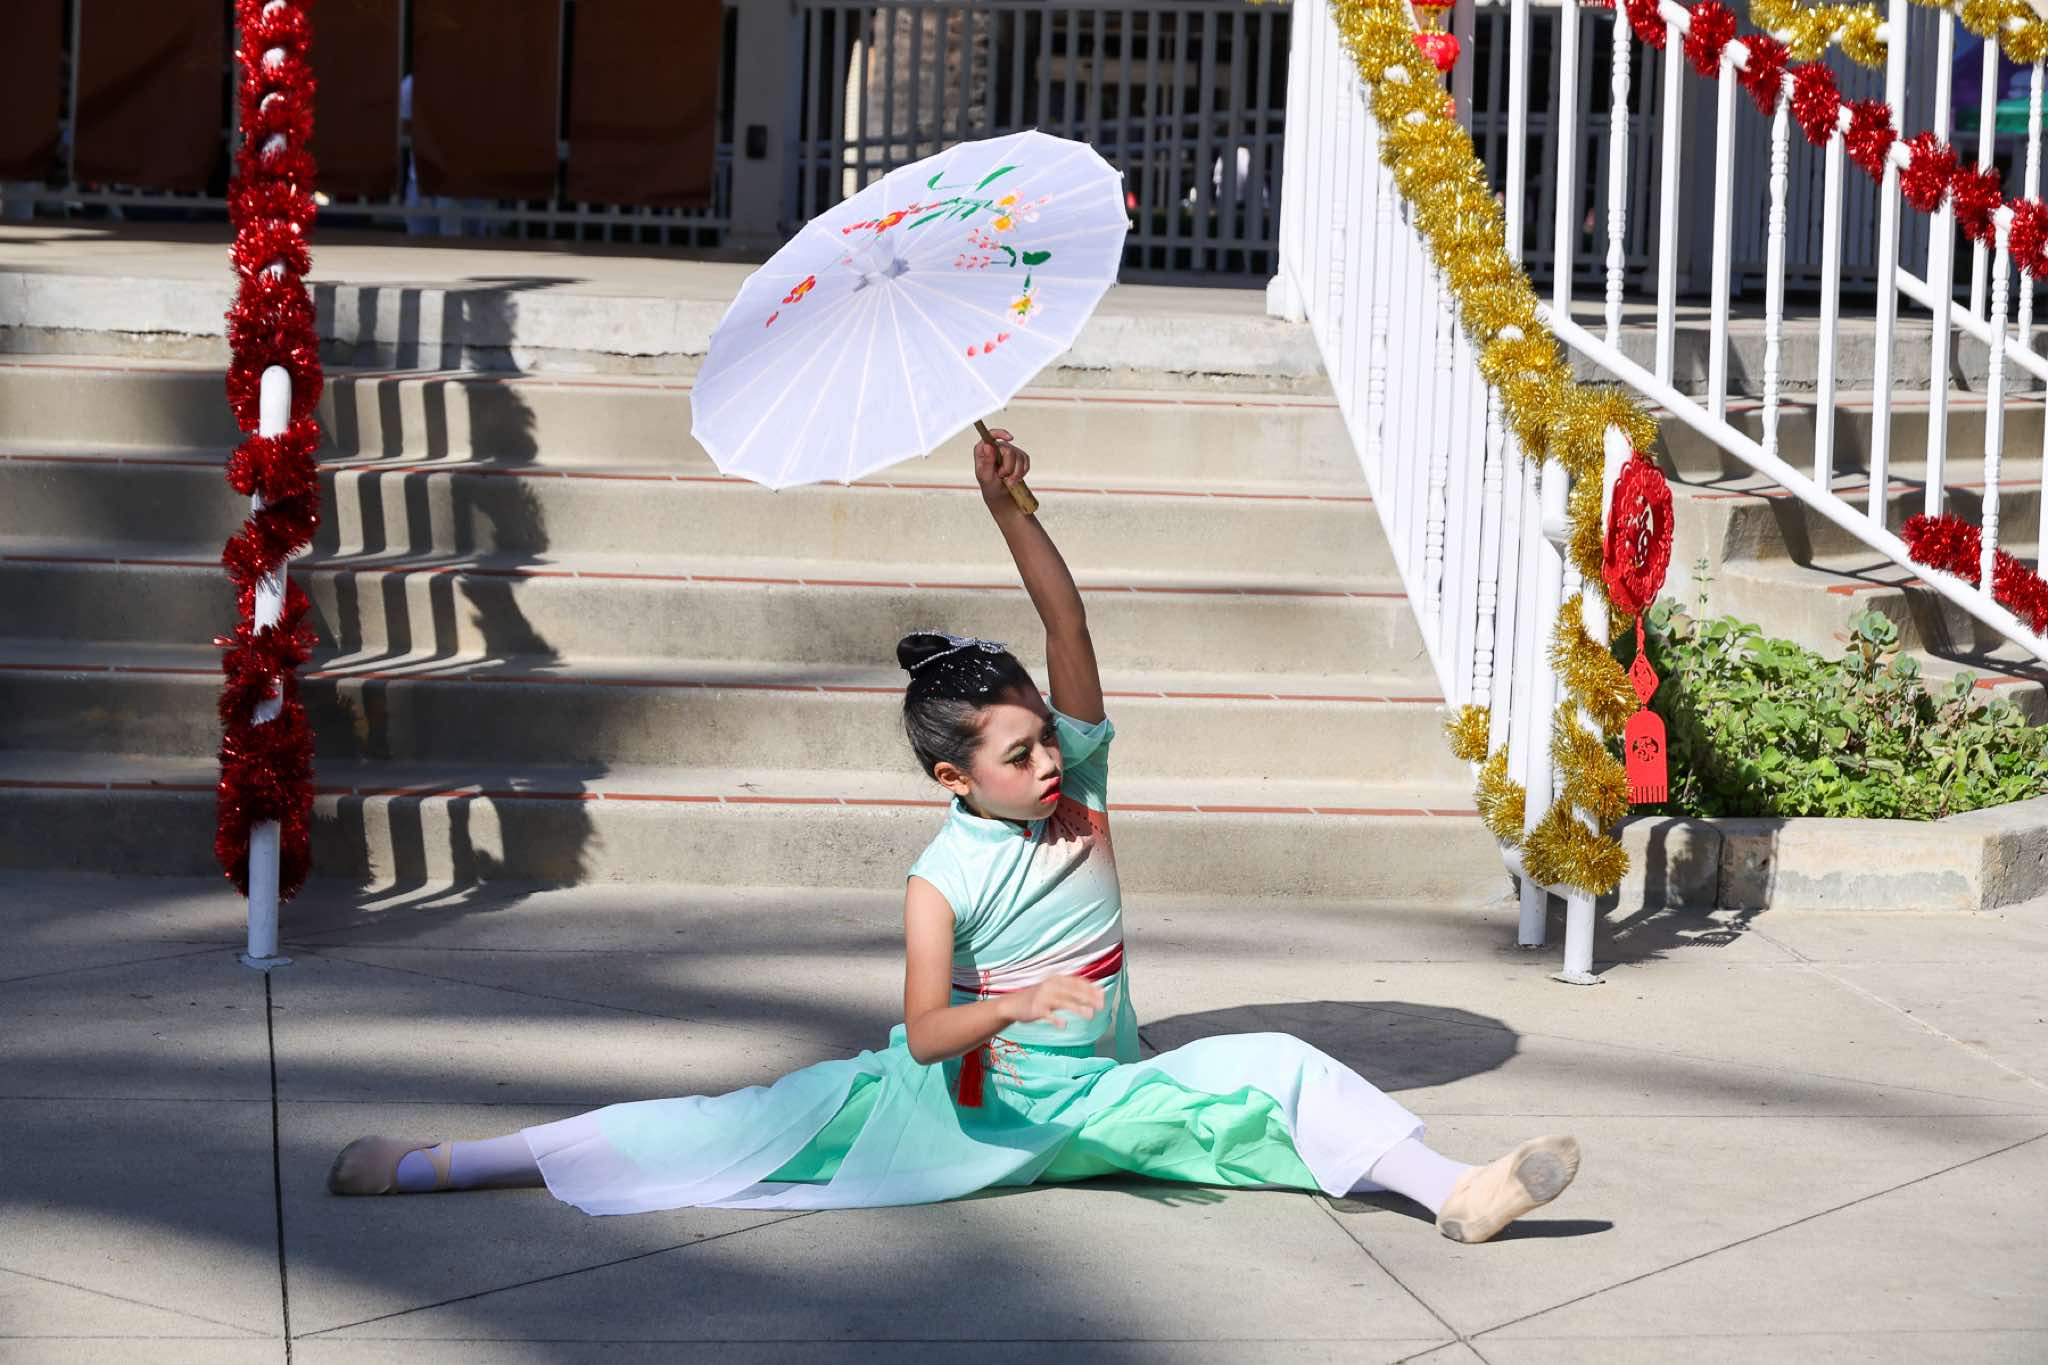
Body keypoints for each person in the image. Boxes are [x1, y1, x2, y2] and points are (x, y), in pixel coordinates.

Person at [329, 428, 1581, 1244]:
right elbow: (928, 1030)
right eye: (1019, 754)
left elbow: (1069, 629)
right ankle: (441, 1163)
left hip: (1099, 1100)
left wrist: (1008, 508)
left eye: (1047, 741)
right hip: (961, 1112)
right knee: (721, 1127)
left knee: (1277, 1068)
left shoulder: (1079, 789)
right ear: (953, 775)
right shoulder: (941, 876)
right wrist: (1018, 1003)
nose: (1049, 763)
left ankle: (1458, 1193)